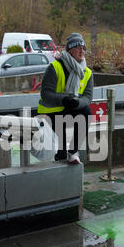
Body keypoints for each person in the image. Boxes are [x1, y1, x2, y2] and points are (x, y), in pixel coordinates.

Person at [37, 33, 93, 164]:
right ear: (69, 50)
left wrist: (78, 102)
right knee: (60, 150)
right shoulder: (55, 67)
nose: (82, 50)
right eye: (78, 47)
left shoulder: (87, 72)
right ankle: (61, 157)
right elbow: (46, 94)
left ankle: (73, 151)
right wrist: (65, 99)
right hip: (51, 110)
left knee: (86, 112)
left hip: (71, 108)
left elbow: (88, 96)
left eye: (83, 48)